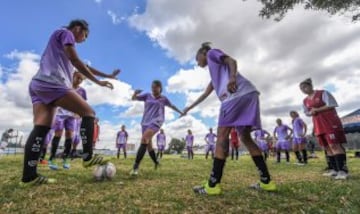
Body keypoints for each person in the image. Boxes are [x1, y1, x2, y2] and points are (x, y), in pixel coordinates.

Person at [21, 19, 120, 186]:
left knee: (41, 128)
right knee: (89, 113)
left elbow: (85, 66)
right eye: (85, 36)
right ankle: (87, 157)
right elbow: (76, 61)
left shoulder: (61, 47)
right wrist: (99, 82)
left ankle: (29, 177)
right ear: (78, 28)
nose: (84, 40)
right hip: (52, 82)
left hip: (39, 84)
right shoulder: (66, 33)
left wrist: (108, 76)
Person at [183, 43, 276, 195]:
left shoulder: (211, 53)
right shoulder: (216, 74)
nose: (197, 62)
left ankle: (213, 184)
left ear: (203, 53)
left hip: (234, 96)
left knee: (221, 136)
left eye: (197, 58)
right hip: (249, 94)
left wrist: (232, 78)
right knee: (245, 138)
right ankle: (267, 182)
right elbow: (204, 95)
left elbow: (232, 61)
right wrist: (189, 108)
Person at [130, 80, 183, 176]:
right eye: (152, 87)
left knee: (144, 139)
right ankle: (156, 162)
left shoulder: (163, 99)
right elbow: (133, 99)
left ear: (160, 87)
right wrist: (135, 93)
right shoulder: (147, 96)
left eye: (155, 87)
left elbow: (172, 106)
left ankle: (135, 167)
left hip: (156, 122)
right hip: (145, 123)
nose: (153, 89)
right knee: (148, 145)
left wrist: (181, 112)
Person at [300, 78, 348, 180]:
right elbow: (307, 112)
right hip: (318, 125)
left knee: (334, 145)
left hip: (330, 122)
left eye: (305, 86)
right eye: (301, 88)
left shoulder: (323, 93)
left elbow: (332, 104)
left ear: (311, 86)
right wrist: (311, 112)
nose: (303, 89)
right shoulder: (305, 101)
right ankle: (334, 169)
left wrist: (317, 109)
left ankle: (343, 171)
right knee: (327, 147)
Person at [48, 72, 87, 170]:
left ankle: (66, 158)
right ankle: (52, 159)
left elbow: (83, 104)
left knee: (70, 135)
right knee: (58, 134)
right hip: (60, 114)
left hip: (72, 116)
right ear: (72, 76)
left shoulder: (82, 91)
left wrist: (78, 113)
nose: (78, 80)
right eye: (77, 78)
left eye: (81, 79)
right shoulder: (64, 86)